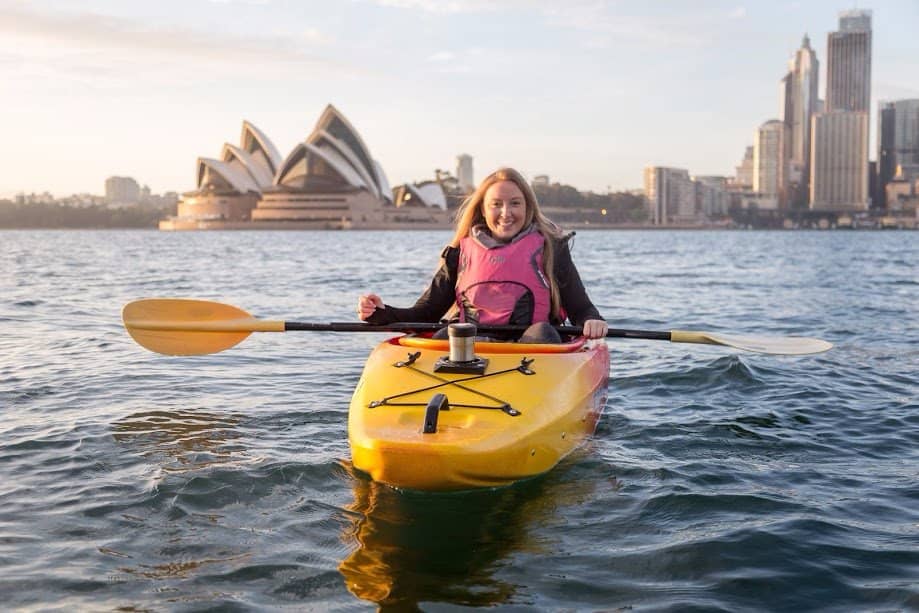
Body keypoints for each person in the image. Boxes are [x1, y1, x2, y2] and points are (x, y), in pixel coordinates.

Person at [357, 167, 608, 343]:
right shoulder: (459, 252)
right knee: (447, 335)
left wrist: (593, 321)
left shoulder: (552, 248)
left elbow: (581, 308)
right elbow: (426, 313)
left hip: (534, 351)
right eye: (496, 204)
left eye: (515, 203)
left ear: (528, 207)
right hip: (472, 349)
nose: (506, 212)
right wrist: (381, 313)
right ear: (483, 210)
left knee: (544, 332)